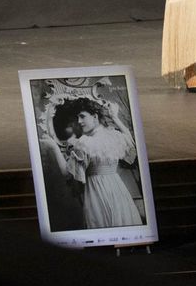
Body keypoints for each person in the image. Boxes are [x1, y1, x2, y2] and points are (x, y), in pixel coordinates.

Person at [41, 95, 144, 229]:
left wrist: (54, 147)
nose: (79, 121)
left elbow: (67, 173)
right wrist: (115, 118)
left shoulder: (85, 143)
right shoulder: (115, 136)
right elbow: (131, 143)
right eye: (78, 118)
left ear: (95, 116)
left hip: (97, 192)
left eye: (82, 116)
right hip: (117, 190)